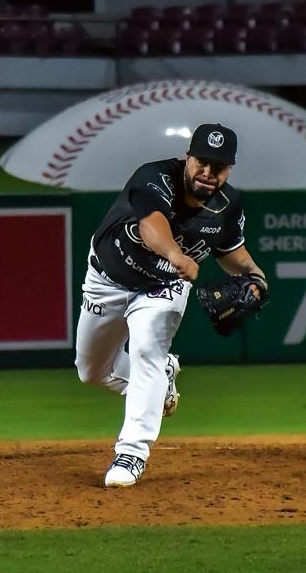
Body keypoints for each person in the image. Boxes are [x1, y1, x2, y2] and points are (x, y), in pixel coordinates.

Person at [75, 123, 267, 487]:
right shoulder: (154, 177)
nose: (209, 172)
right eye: (203, 162)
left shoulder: (229, 206)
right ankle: (161, 378)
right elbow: (151, 225)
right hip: (107, 280)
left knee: (148, 348)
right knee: (91, 371)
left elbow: (231, 253)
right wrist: (175, 254)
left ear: (230, 170)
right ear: (188, 158)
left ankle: (132, 453)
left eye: (220, 166)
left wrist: (257, 277)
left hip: (163, 287)